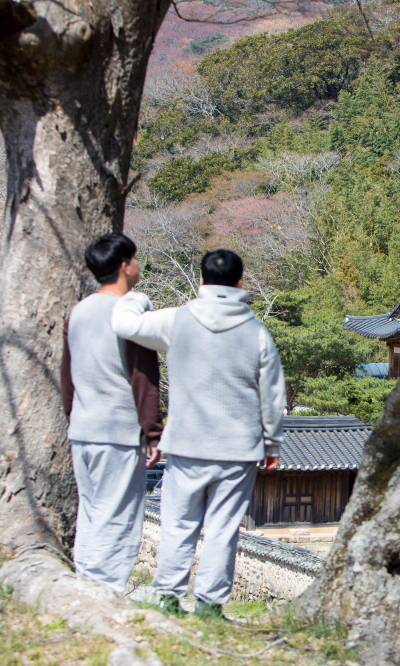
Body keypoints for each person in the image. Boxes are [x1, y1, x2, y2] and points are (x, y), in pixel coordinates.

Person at [111, 249, 285, 619]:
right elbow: (272, 396)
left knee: (178, 523)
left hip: (187, 444)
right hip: (239, 448)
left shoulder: (177, 320)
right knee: (223, 529)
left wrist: (137, 296)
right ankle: (210, 604)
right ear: (241, 283)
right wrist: (272, 444)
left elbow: (125, 325)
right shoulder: (257, 332)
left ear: (201, 280)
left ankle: (169, 597)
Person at [61, 232, 163, 593]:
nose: (137, 264)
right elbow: (142, 376)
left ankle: (84, 585)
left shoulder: (79, 310)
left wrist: (74, 417)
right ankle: (105, 594)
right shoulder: (130, 312)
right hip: (117, 430)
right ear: (124, 265)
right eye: (134, 258)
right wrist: (154, 432)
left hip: (83, 429)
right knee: (118, 517)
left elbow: (67, 374)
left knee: (91, 513)